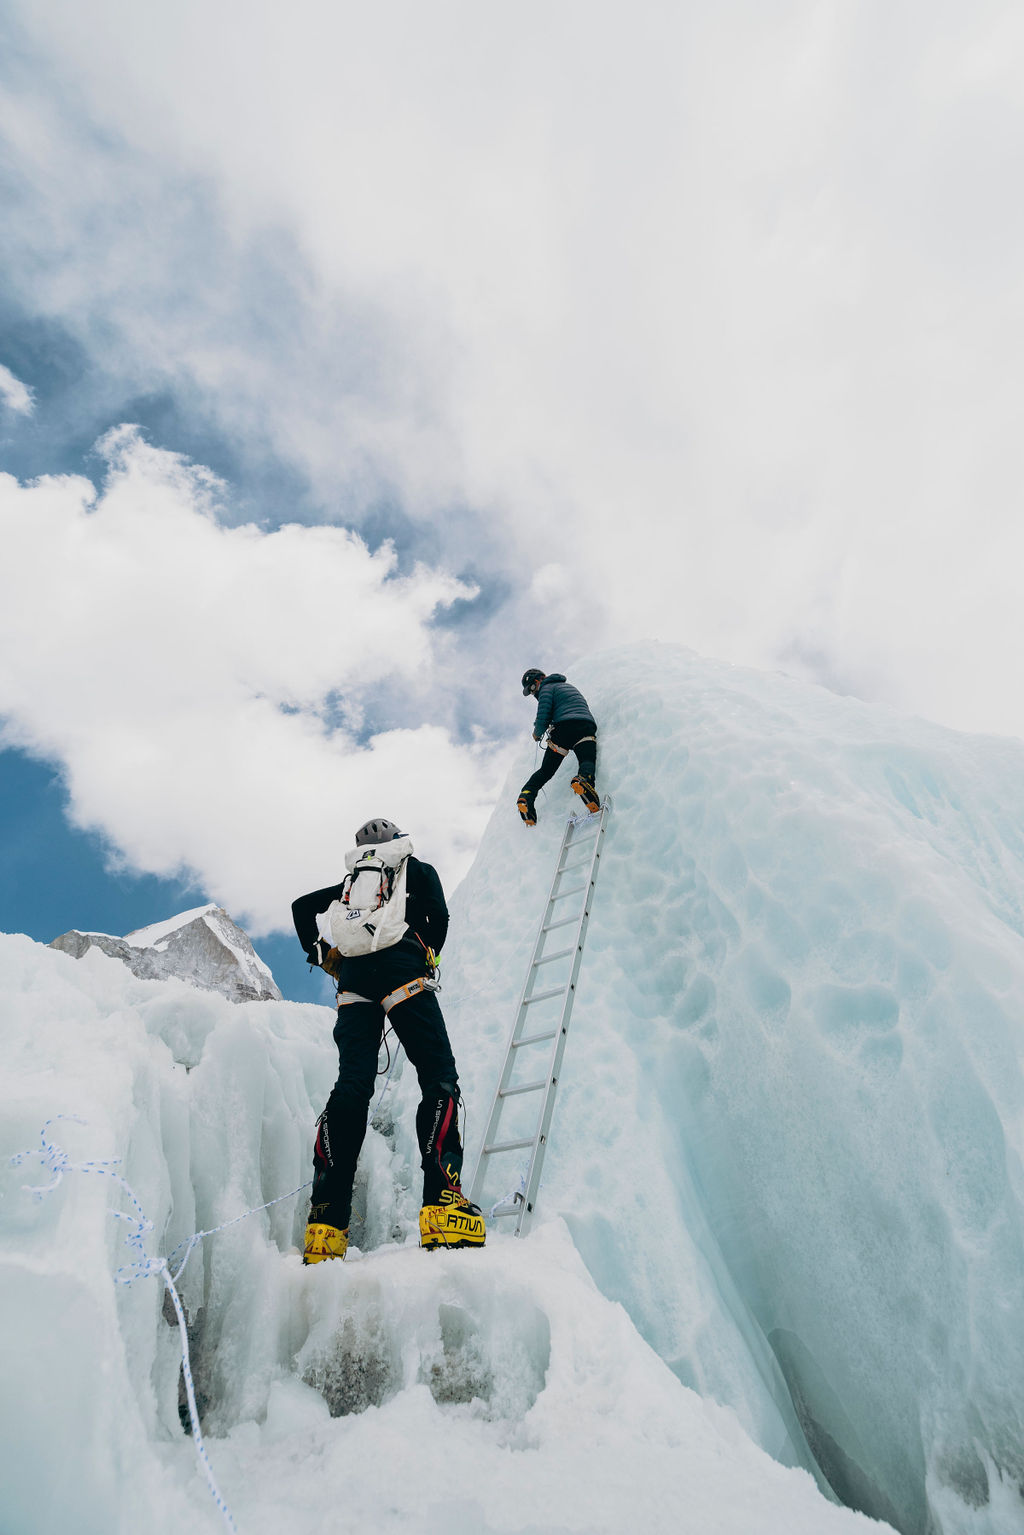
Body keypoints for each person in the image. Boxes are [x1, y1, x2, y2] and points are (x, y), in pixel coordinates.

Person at [291, 817, 485, 1262]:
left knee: (352, 1087)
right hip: (403, 972)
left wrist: (324, 957)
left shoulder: (348, 885)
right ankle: (443, 1204)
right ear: (397, 842)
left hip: (354, 982)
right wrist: (427, 953)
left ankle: (326, 1223)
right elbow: (440, 915)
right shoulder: (414, 869)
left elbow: (302, 907)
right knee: (437, 1076)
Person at [517, 669, 601, 826]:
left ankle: (527, 795)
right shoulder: (567, 687)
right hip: (584, 726)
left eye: (532, 689)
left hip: (563, 730)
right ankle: (584, 780)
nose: (534, 694)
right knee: (587, 758)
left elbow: (543, 715)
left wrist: (537, 733)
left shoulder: (547, 688)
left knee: (546, 770)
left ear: (538, 681)